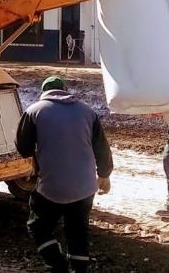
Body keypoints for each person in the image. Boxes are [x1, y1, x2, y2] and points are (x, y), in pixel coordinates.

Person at [16, 76, 113, 273]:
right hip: (85, 188)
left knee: (38, 227)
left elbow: (23, 149)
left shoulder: (33, 111)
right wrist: (104, 175)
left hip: (51, 187)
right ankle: (79, 270)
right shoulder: (88, 112)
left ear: (43, 92)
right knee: (77, 233)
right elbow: (102, 148)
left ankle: (58, 266)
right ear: (66, 90)